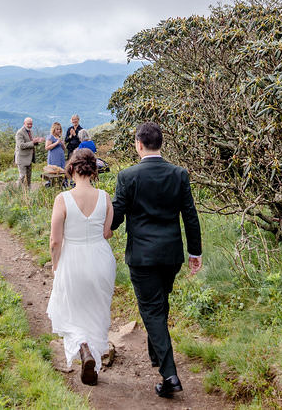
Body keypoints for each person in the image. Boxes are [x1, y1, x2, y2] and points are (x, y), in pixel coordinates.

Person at [111, 122, 202, 398]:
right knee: (159, 305)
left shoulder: (127, 176)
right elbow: (190, 215)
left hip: (142, 257)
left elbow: (115, 219)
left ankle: (169, 374)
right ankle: (157, 355)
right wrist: (194, 252)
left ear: (139, 144)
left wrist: (99, 215)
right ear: (160, 143)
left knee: (152, 310)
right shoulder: (178, 174)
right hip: (171, 255)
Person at [46, 148, 116, 386]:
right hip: (100, 258)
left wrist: (56, 264)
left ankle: (83, 348)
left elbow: (55, 241)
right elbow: (107, 233)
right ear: (94, 170)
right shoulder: (105, 197)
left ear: (72, 169)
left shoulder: (62, 199)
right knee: (96, 311)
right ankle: (92, 360)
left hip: (72, 258)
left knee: (71, 311)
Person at [14, 117, 44, 188]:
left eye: (31, 124)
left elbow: (31, 143)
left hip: (29, 158)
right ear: (24, 123)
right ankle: (16, 190)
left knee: (29, 177)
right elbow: (21, 145)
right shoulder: (19, 133)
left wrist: (37, 141)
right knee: (22, 177)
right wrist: (33, 142)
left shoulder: (30, 131)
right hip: (21, 158)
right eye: (28, 124)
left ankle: (27, 193)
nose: (30, 125)